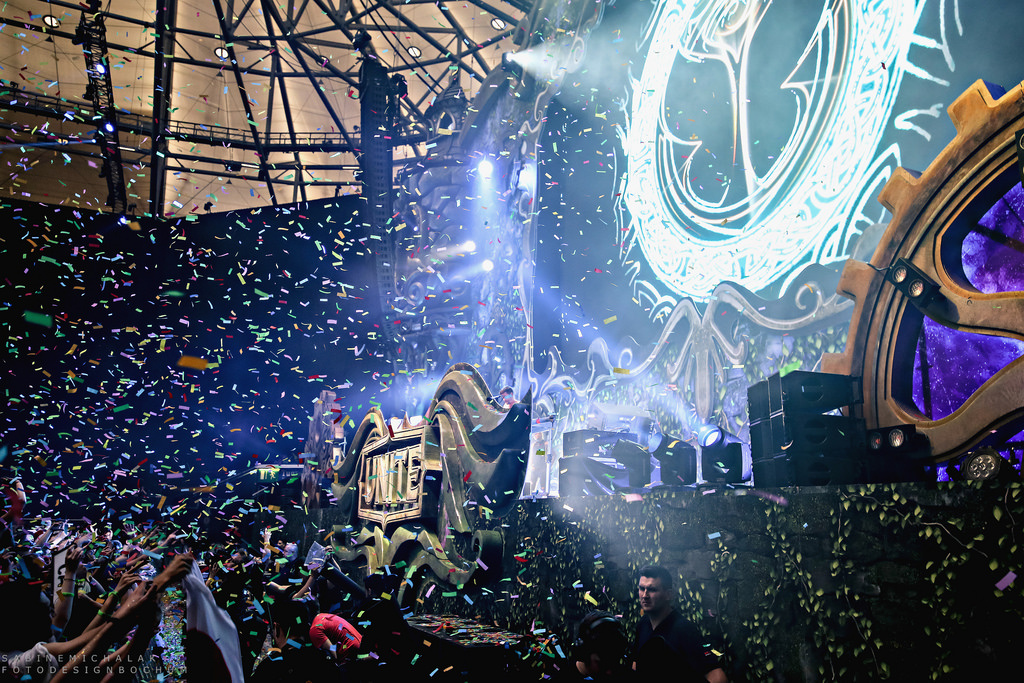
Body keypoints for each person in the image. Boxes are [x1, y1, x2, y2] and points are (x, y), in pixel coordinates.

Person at [634, 565, 727, 683]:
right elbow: (636, 664)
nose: (644, 595)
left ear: (668, 594)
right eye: (642, 588)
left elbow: (718, 677)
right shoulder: (643, 624)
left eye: (652, 590)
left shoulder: (685, 630)